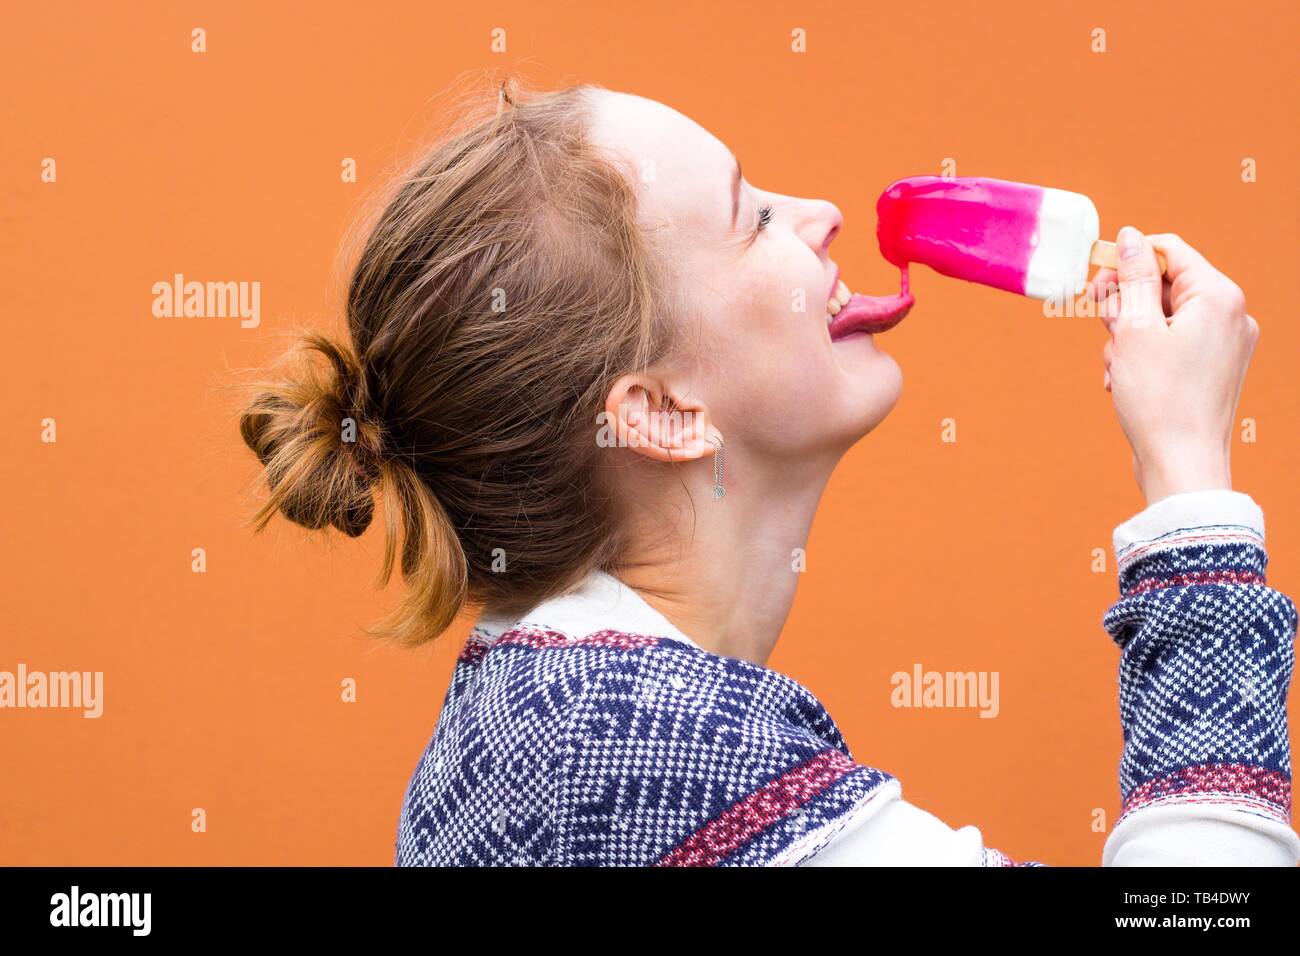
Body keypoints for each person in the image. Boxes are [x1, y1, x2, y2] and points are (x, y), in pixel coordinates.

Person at [238, 83, 1296, 866]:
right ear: (660, 412)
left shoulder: (542, 715)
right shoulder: (628, 746)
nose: (822, 210)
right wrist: (1188, 479)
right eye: (753, 217)